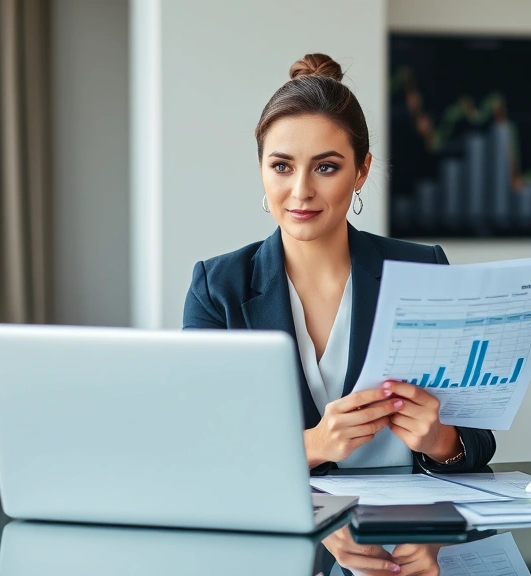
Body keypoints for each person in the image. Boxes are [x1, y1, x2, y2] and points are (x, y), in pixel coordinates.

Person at [183, 53, 495, 474]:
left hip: (406, 530)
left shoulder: (423, 270)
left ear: (361, 171)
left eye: (325, 167)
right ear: (262, 170)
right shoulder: (218, 287)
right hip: (287, 531)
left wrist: (439, 439)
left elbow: (477, 439)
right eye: (281, 166)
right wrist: (312, 445)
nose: (301, 191)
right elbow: (201, 445)